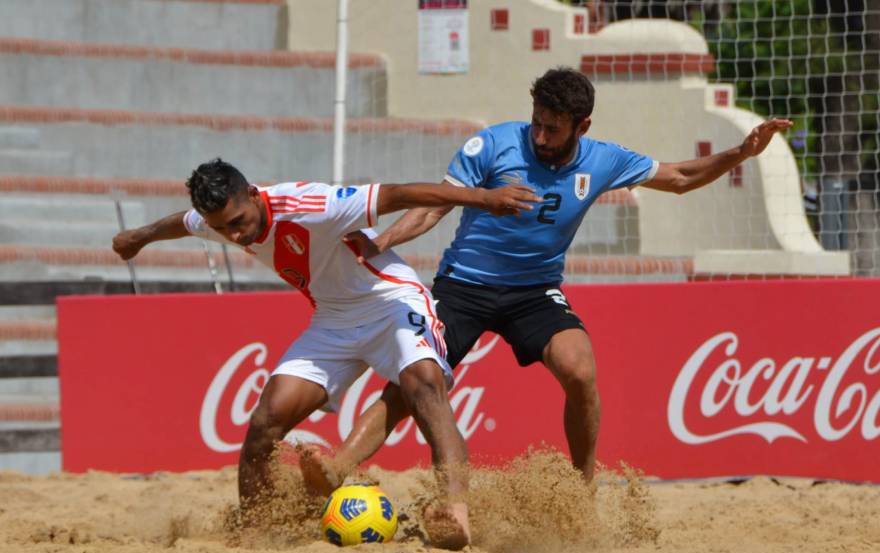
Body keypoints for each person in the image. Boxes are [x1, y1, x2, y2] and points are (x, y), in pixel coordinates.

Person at [298, 66, 794, 493]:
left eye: (552, 129)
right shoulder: (492, 144)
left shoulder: (602, 159)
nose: (539, 137)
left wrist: (740, 154)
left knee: (580, 370)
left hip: (534, 291)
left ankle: (580, 488)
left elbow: (681, 178)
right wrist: (381, 243)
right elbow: (434, 207)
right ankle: (338, 466)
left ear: (583, 126)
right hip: (463, 286)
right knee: (415, 384)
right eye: (536, 123)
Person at [111, 158, 539, 550]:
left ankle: (455, 513)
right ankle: (255, 529)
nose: (235, 235)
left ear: (255, 196)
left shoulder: (311, 204)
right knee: (266, 420)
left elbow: (397, 193)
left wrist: (483, 198)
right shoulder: (220, 217)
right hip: (333, 320)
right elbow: (184, 224)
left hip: (391, 301)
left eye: (239, 222)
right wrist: (141, 236)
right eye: (224, 229)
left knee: (423, 386)